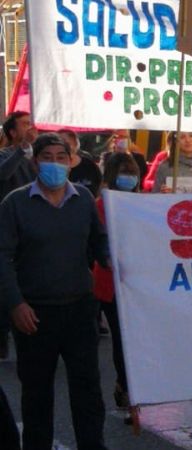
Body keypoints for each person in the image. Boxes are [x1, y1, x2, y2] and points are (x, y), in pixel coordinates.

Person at [0, 133, 109, 449]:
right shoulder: (15, 204)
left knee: (88, 390)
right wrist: (16, 304)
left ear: (71, 161)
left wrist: (112, 260)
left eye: (61, 157)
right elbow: (2, 257)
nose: (55, 164)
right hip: (34, 314)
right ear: (35, 163)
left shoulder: (83, 199)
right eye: (47, 158)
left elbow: (98, 241)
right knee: (37, 394)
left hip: (79, 309)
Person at [93, 152, 139, 426]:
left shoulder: (142, 204)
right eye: (123, 172)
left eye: (131, 172)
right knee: (122, 340)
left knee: (136, 339)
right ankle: (126, 388)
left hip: (138, 284)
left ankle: (131, 388)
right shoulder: (101, 206)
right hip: (111, 283)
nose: (128, 178)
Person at [0, 111, 38, 359]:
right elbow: (3, 173)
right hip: (8, 226)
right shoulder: (6, 155)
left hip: (32, 226)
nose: (30, 128)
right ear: (12, 132)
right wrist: (21, 150)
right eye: (24, 124)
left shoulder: (37, 156)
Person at [58, 129, 102, 197]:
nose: (62, 147)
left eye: (66, 143)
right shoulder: (53, 167)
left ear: (75, 145)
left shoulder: (90, 166)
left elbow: (100, 188)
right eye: (58, 143)